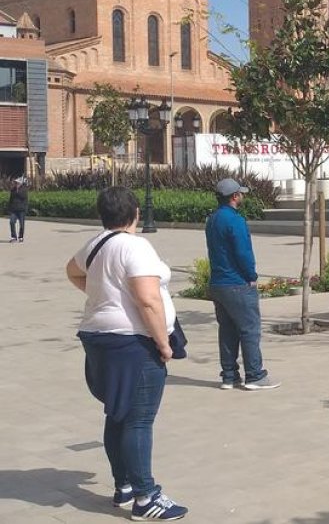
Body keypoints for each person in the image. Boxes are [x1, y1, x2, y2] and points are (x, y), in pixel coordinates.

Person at [64, 186, 188, 520]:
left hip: (99, 337)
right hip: (132, 344)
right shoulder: (136, 246)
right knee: (139, 419)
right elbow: (147, 299)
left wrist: (103, 295)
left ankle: (125, 486)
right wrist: (163, 344)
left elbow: (72, 270)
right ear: (134, 212)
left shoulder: (96, 243)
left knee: (117, 413)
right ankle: (146, 498)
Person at [205, 178, 279, 391]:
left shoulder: (212, 219)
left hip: (218, 283)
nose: (243, 196)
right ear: (235, 196)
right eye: (241, 193)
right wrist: (251, 275)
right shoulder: (235, 221)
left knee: (227, 331)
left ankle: (229, 376)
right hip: (237, 283)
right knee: (249, 330)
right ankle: (254, 375)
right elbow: (243, 252)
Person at [8, 176, 28, 243]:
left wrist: (17, 191)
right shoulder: (13, 190)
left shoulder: (24, 189)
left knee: (22, 225)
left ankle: (21, 237)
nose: (16, 184)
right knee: (11, 222)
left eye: (17, 183)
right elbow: (10, 199)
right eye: (15, 183)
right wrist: (10, 208)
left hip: (21, 210)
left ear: (21, 183)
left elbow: (23, 197)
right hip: (14, 210)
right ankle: (13, 237)